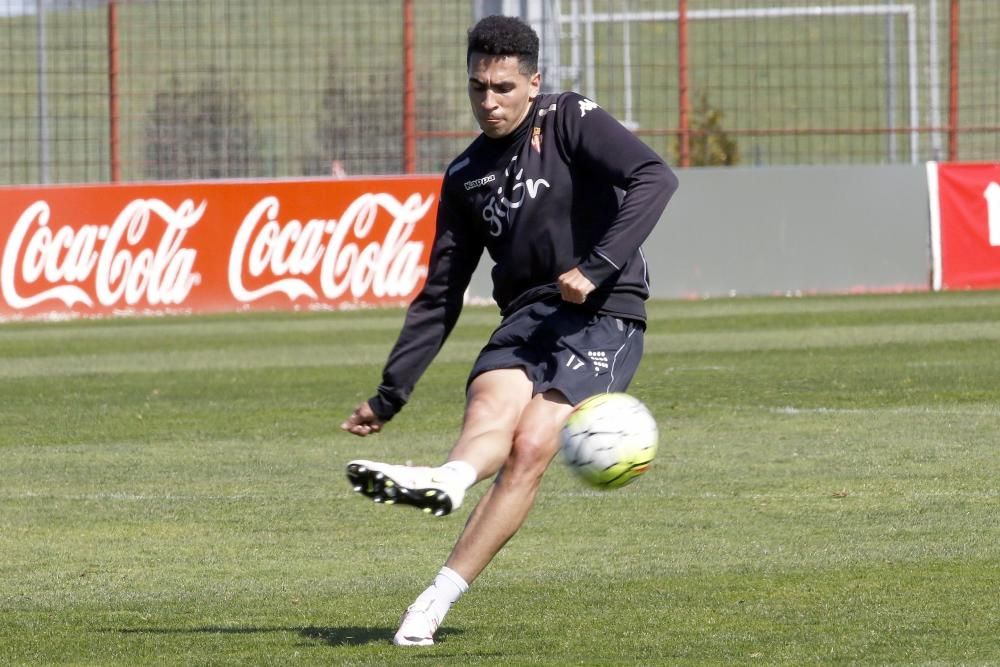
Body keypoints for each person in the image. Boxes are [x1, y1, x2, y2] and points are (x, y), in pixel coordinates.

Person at [340, 14, 678, 647]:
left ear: (533, 82)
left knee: (530, 447)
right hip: (526, 318)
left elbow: (655, 177)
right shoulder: (466, 174)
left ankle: (432, 601)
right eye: (477, 88)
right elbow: (441, 293)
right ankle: (446, 480)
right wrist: (390, 395)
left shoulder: (569, 118)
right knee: (490, 412)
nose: (488, 103)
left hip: (605, 314)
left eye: (501, 88)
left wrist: (599, 265)